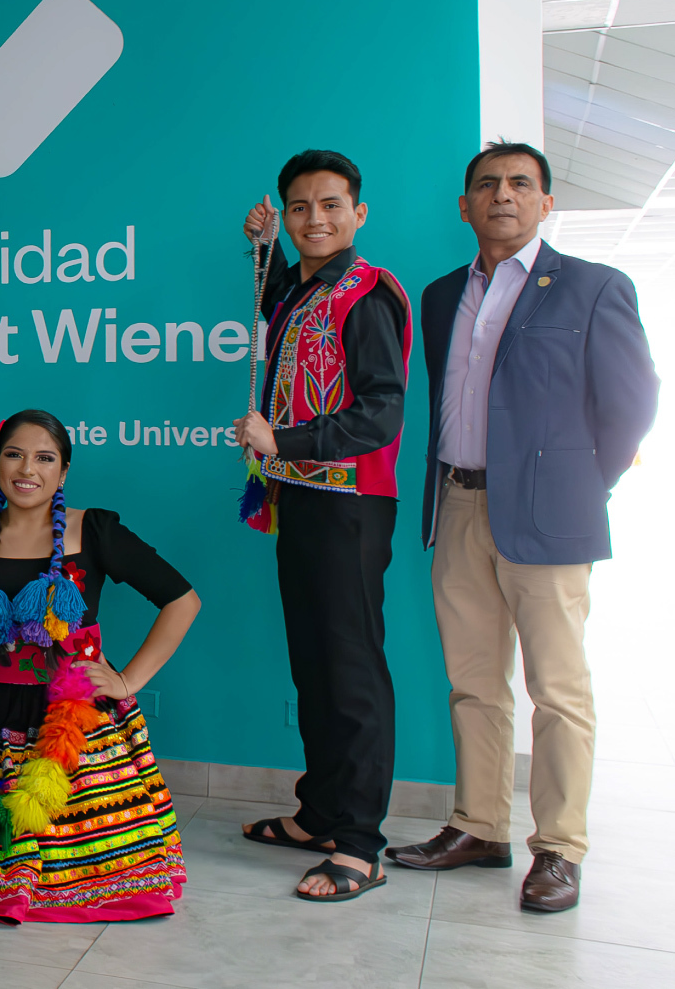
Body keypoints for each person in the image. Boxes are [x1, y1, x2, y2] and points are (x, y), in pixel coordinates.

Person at [385, 142, 658, 914]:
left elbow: (633, 403)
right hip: (461, 503)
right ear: (464, 206)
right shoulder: (441, 295)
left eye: (520, 184)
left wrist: (578, 482)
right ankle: (479, 825)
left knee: (559, 689)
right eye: (486, 185)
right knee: (474, 683)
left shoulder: (595, 287)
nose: (503, 195)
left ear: (545, 203)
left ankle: (559, 848)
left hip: (551, 512)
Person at [0, 410, 198, 922]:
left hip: (77, 717)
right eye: (14, 454)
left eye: (45, 458)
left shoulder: (96, 530)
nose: (28, 469)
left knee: (89, 857)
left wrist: (128, 680)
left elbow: (182, 600)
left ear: (63, 471)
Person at [232, 149, 412, 902]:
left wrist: (287, 442)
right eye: (300, 206)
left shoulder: (368, 295)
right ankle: (322, 815)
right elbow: (284, 313)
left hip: (350, 503)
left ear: (358, 213)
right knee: (314, 665)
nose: (315, 218)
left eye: (331, 205)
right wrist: (262, 250)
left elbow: (380, 412)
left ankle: (361, 842)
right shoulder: (306, 290)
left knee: (351, 674)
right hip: (302, 498)